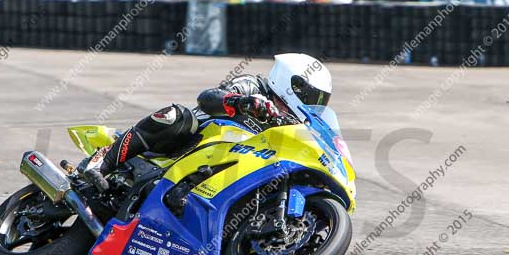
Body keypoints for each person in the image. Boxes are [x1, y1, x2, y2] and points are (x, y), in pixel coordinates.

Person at [86, 54, 333, 180]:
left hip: (227, 165)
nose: (315, 105)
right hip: (186, 144)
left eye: (320, 101)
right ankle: (103, 161)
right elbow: (208, 97)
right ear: (294, 84)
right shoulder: (255, 86)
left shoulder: (293, 124)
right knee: (177, 115)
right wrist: (241, 102)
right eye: (313, 97)